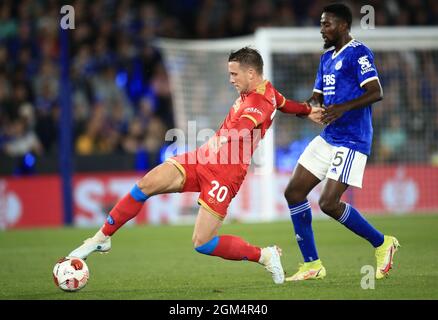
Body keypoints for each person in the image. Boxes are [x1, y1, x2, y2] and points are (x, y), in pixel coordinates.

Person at [68, 47, 323, 284]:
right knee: (146, 184)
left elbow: (243, 128)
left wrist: (227, 136)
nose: (231, 79)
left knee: (202, 242)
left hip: (225, 173)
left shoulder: (258, 103)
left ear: (251, 73)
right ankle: (101, 238)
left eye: (234, 74)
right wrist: (305, 109)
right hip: (203, 157)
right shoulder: (267, 90)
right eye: (229, 73)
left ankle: (264, 255)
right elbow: (283, 102)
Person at [283, 3, 400, 282]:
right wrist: (301, 109)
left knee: (328, 203)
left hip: (352, 140)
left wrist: (343, 108)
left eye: (327, 24)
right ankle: (312, 264)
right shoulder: (326, 58)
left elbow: (376, 92)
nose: (322, 29)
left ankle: (383, 243)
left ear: (344, 26)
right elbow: (317, 98)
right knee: (294, 193)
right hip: (329, 137)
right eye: (321, 24)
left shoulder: (359, 53)